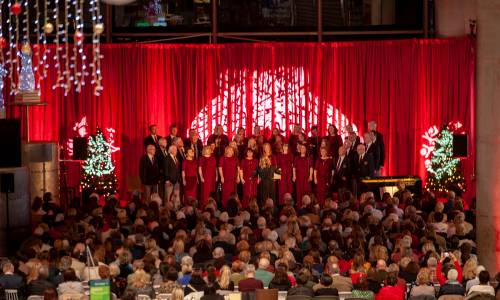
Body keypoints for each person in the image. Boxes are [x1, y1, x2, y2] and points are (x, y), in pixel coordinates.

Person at [293, 143, 313, 207]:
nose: (302, 149)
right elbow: (294, 168)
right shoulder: (297, 158)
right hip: (299, 177)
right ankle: (299, 205)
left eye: (303, 148)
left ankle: (307, 206)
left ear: (306, 150)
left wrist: (310, 176)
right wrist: (294, 176)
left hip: (306, 177)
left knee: (306, 191)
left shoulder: (309, 158)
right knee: (299, 191)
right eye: (301, 148)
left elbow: (311, 167)